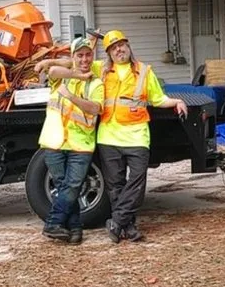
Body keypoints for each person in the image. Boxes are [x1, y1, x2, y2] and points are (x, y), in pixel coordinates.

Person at [37, 30, 188, 243]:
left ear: (128, 46)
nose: (118, 50)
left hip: (135, 137)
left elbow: (157, 98)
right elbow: (72, 63)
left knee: (136, 183)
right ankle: (125, 226)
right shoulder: (102, 68)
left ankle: (116, 220)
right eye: (113, 47)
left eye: (121, 45)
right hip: (107, 137)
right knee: (114, 186)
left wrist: (176, 101)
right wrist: (54, 62)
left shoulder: (143, 72)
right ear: (108, 53)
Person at [35, 37, 105, 245]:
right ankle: (75, 228)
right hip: (54, 140)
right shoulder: (63, 77)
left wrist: (72, 96)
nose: (84, 59)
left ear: (93, 56)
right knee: (63, 185)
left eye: (88, 55)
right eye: (80, 55)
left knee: (73, 186)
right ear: (72, 57)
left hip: (80, 144)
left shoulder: (97, 81)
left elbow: (96, 108)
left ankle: (53, 223)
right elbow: (52, 71)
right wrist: (78, 75)